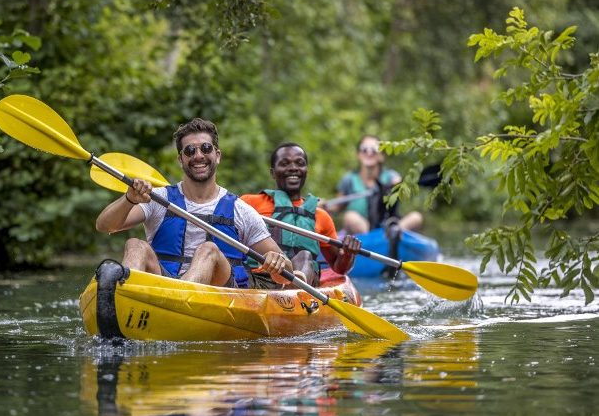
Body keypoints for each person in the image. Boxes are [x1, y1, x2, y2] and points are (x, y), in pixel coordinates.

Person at [95, 117, 297, 289]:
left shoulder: (241, 210)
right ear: (181, 159)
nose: (198, 155)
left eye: (206, 148)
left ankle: (177, 297)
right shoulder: (159, 198)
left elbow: (284, 276)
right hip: (163, 287)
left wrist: (280, 262)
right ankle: (126, 296)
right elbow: (104, 226)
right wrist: (129, 199)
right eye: (190, 151)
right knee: (135, 245)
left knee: (208, 250)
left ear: (217, 156)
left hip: (219, 295)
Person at [240, 143, 361, 289]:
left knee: (305, 256)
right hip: (260, 278)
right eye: (284, 163)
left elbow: (339, 268)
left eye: (300, 163)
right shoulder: (249, 203)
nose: (293, 168)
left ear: (306, 171)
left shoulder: (321, 216)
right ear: (273, 172)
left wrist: (348, 254)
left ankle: (294, 285)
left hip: (303, 285)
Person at [330, 134, 423, 235]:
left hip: (388, 226)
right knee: (350, 216)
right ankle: (373, 241)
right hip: (363, 231)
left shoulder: (391, 177)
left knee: (416, 217)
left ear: (382, 156)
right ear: (358, 154)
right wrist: (324, 205)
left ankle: (389, 236)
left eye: (374, 149)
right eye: (364, 149)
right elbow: (336, 206)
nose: (369, 153)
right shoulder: (349, 179)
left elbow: (403, 192)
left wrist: (397, 186)